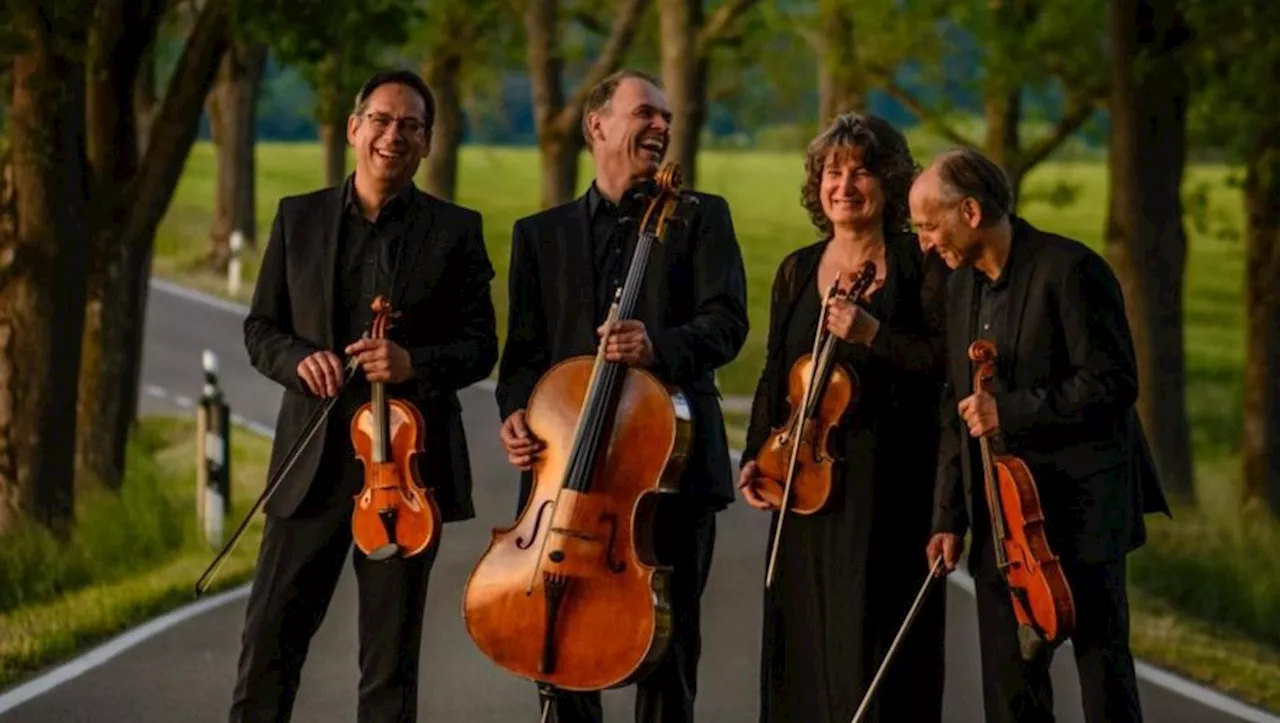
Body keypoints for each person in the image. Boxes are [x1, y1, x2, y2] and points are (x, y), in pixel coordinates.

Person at [233, 69, 499, 723]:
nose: (393, 134)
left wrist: (412, 362)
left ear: (427, 142)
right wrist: (301, 361)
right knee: (269, 642)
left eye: (410, 125)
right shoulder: (299, 218)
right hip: (311, 466)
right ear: (354, 128)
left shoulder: (456, 230)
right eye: (381, 119)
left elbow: (479, 346)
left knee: (388, 666)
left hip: (403, 476)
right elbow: (261, 328)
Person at [494, 68, 749, 723]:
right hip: (565, 485)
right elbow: (522, 359)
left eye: (666, 117)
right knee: (560, 657)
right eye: (646, 113)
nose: (662, 126)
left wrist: (656, 347)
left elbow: (728, 323)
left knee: (666, 662)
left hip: (667, 475)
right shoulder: (539, 235)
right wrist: (516, 415)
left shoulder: (700, 218)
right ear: (596, 125)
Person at [914, 147, 1171, 723]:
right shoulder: (959, 288)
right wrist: (947, 518)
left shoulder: (1071, 269)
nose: (925, 241)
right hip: (1002, 522)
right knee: (1010, 691)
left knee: (1103, 677)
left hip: (1082, 508)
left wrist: (1010, 411)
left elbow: (1112, 383)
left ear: (971, 212)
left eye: (930, 225)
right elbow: (959, 409)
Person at [736, 113, 951, 723]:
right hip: (803, 481)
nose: (845, 185)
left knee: (874, 645)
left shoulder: (920, 266)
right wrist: (758, 454)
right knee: (799, 639)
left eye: (862, 171)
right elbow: (778, 373)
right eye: (833, 172)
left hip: (889, 484)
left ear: (889, 182)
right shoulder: (798, 270)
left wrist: (873, 334)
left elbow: (942, 368)